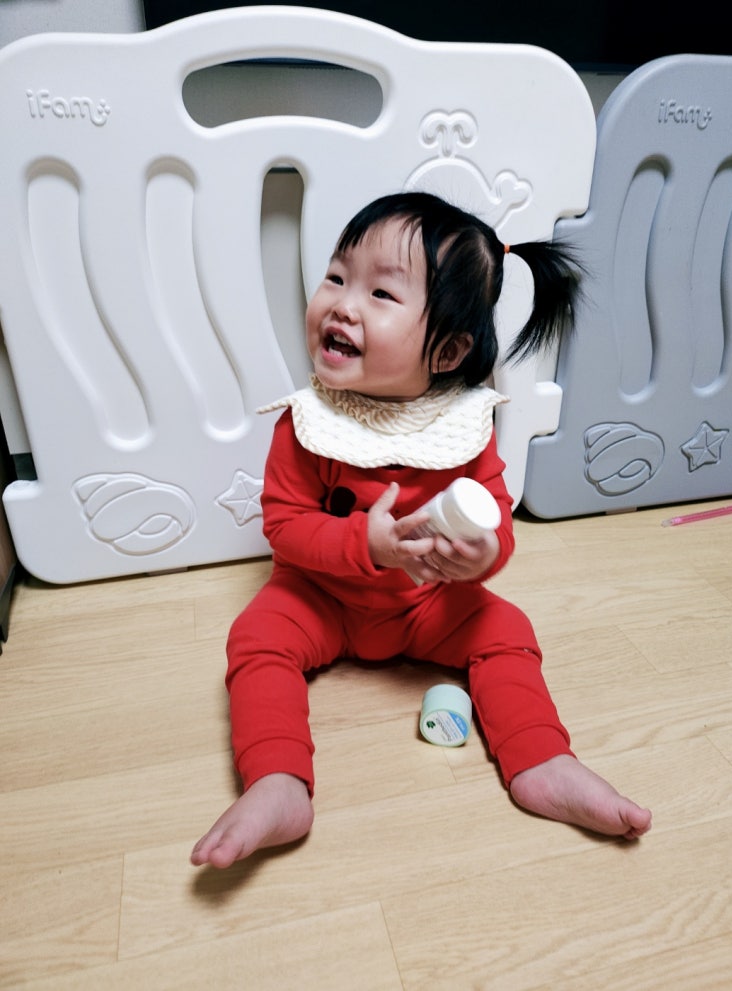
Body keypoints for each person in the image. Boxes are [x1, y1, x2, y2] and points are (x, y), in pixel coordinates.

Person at [191, 192, 652, 869]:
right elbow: (284, 526)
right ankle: (277, 780)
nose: (343, 304)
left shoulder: (461, 425)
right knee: (256, 636)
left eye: (380, 292)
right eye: (336, 277)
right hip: (322, 594)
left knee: (506, 629)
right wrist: (364, 546)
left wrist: (481, 554)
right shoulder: (308, 420)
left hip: (427, 602)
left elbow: (493, 518)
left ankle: (540, 760)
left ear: (448, 349)